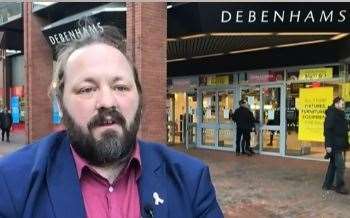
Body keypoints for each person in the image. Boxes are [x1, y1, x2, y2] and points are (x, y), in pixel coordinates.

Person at [0, 24, 223, 218]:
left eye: (121, 87)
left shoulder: (191, 179)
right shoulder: (11, 183)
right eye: (87, 89)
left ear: (140, 98)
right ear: (60, 103)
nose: (107, 102)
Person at [322, 97, 349, 195]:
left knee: (333, 165)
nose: (343, 105)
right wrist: (328, 145)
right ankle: (339, 186)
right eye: (341, 103)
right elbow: (327, 130)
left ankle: (327, 184)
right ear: (336, 103)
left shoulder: (340, 114)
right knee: (340, 166)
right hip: (335, 144)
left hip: (340, 144)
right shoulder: (332, 114)